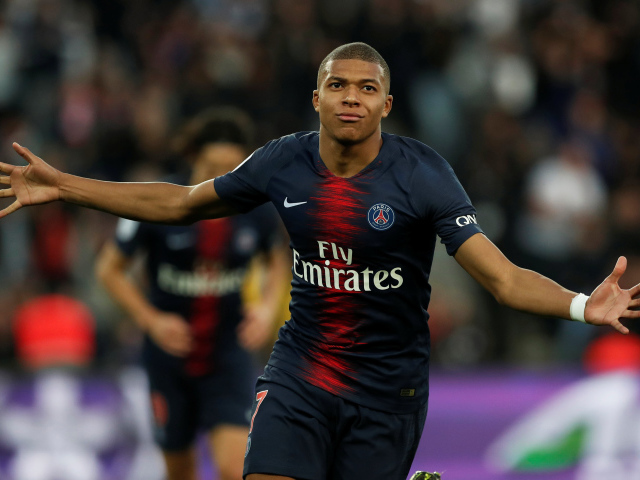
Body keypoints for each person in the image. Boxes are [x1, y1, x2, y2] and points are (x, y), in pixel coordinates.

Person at [0, 42, 639, 480]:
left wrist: (581, 305)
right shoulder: (284, 161)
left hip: (388, 390)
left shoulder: (423, 175)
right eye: (337, 85)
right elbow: (181, 202)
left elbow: (501, 278)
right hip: (301, 372)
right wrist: (67, 187)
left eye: (367, 88)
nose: (351, 98)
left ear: (386, 105)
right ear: (317, 98)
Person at [94, 107, 290, 480]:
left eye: (232, 169)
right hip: (169, 358)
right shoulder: (159, 200)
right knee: (180, 471)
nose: (222, 178)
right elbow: (109, 269)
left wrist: (266, 308)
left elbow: (277, 259)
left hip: (227, 354)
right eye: (212, 167)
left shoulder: (256, 207)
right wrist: (151, 320)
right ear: (193, 158)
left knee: (235, 469)